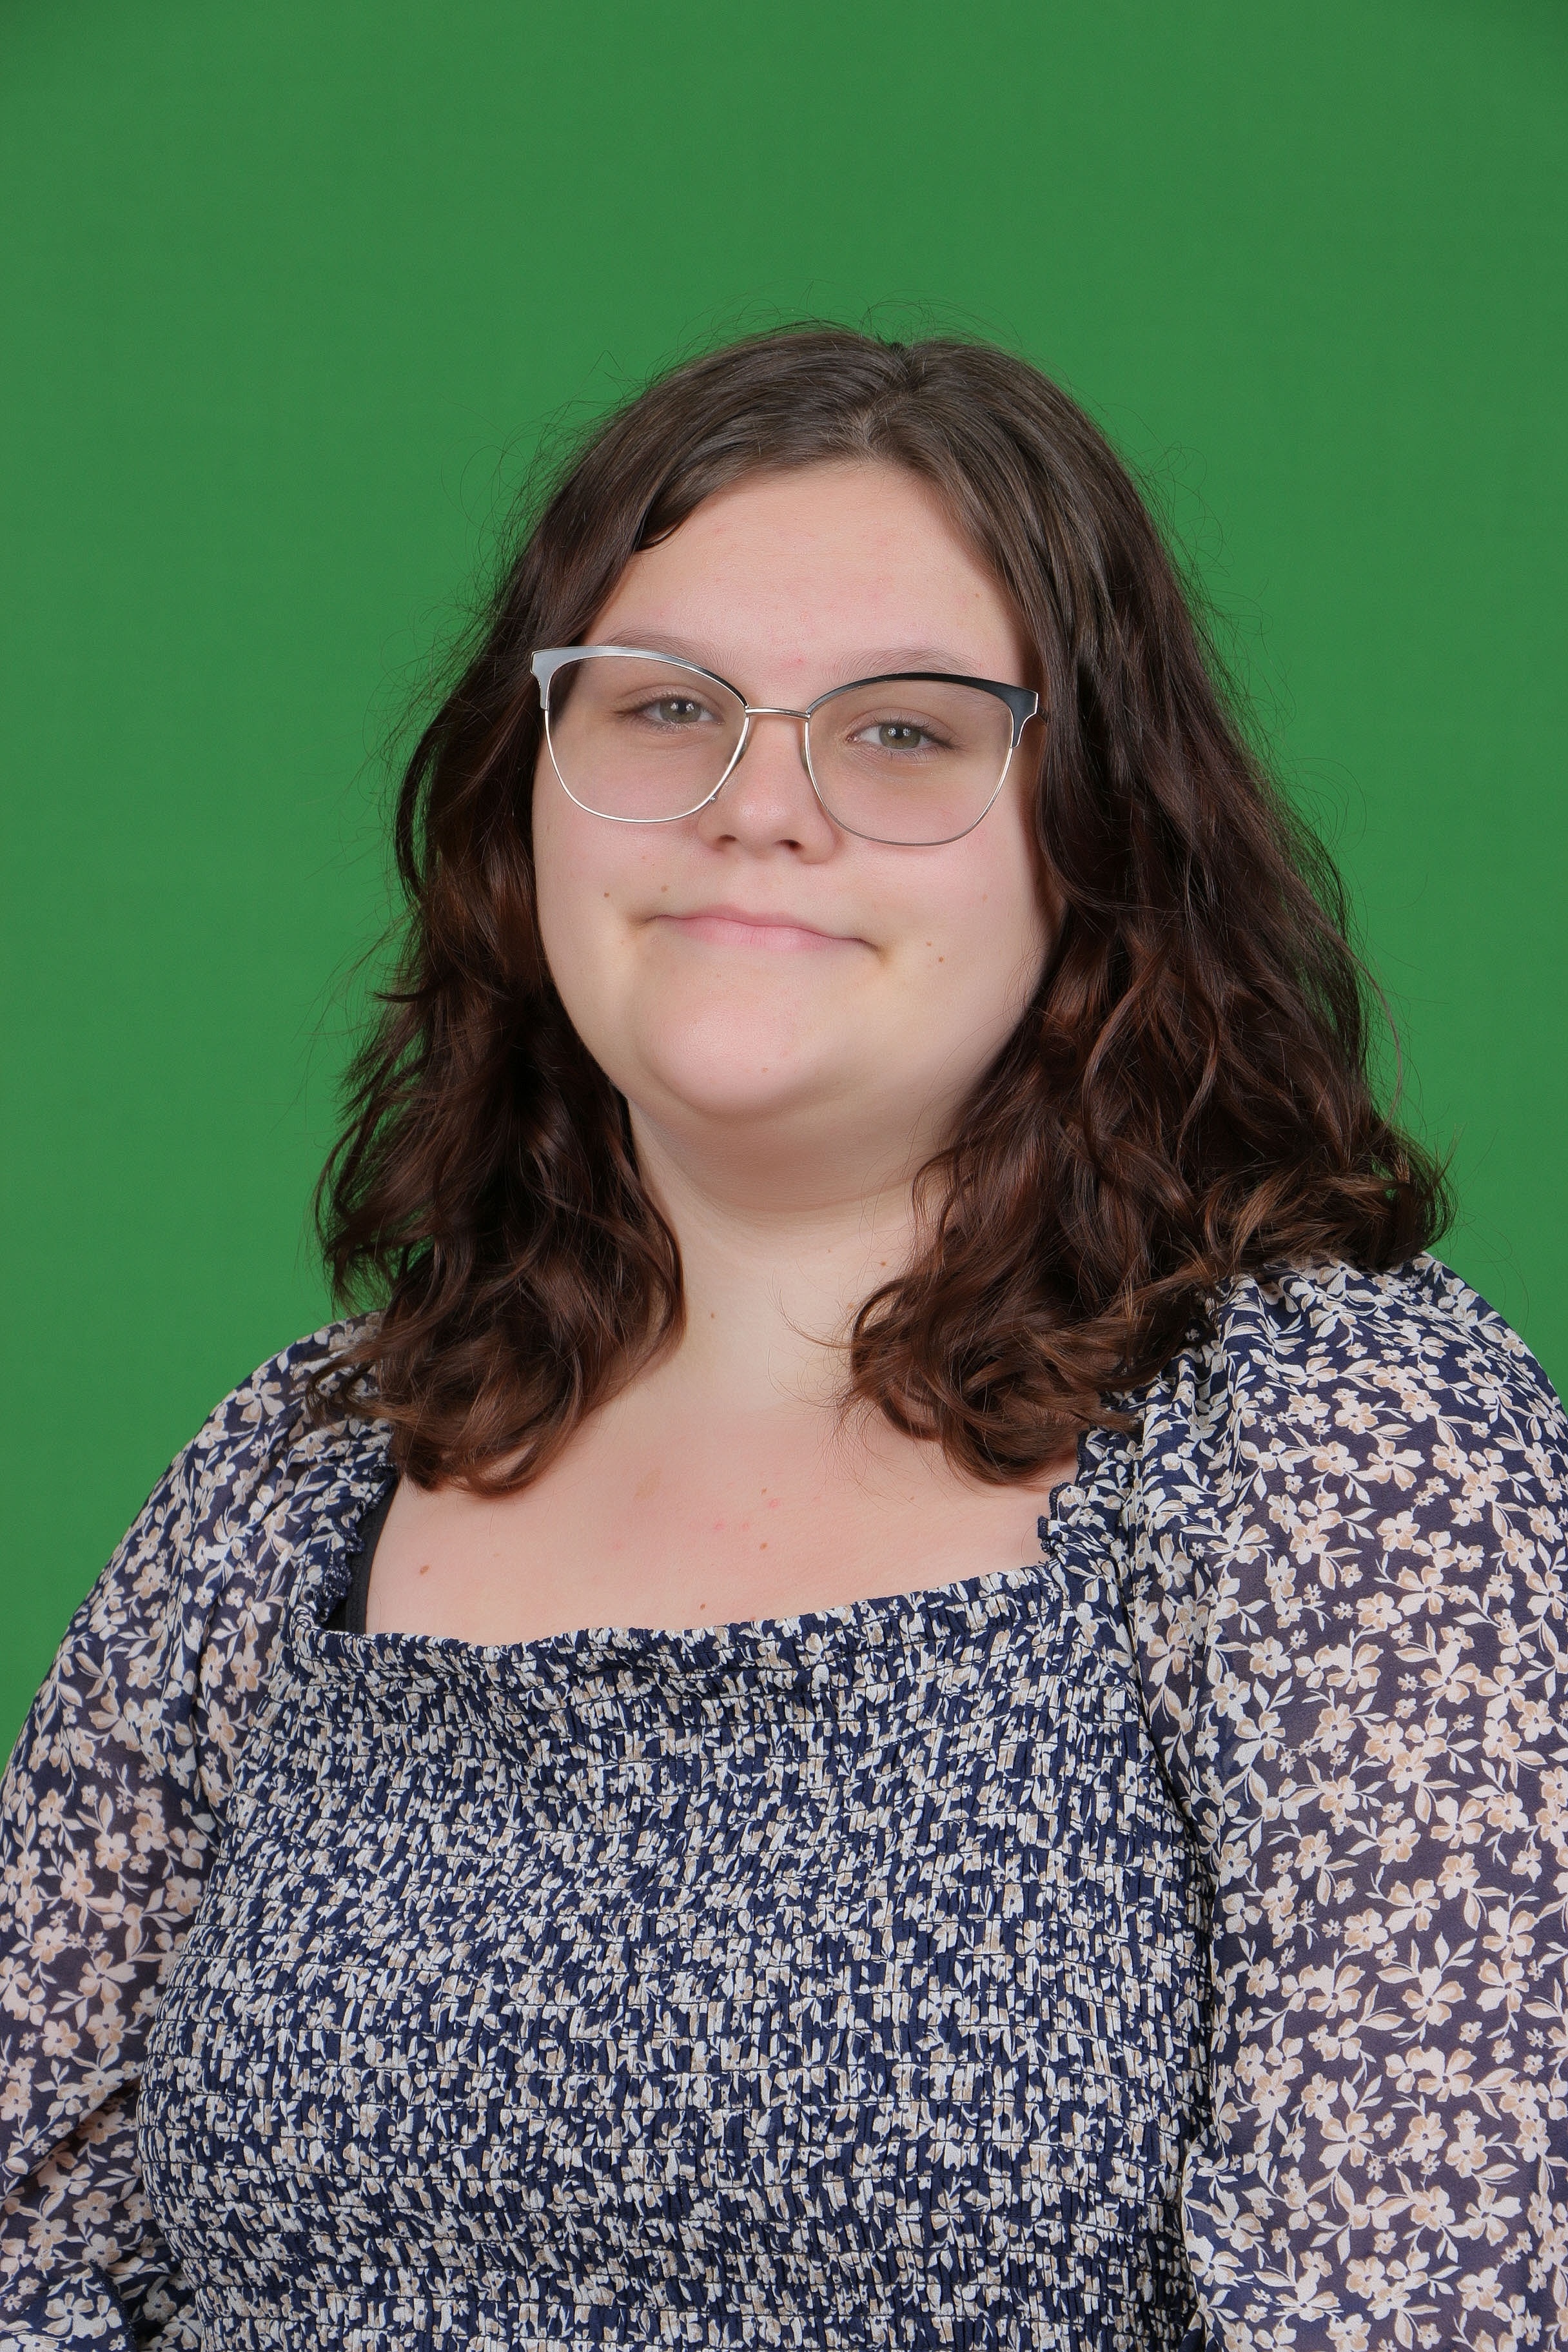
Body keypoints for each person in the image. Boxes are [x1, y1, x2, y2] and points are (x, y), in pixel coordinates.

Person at [2, 325, 1564, 2352]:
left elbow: (1427, 2301)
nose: (758, 809)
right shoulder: (300, 1475)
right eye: (665, 707)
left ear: (1096, 841)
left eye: (905, 732)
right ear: (527, 799)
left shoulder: (1341, 1451)